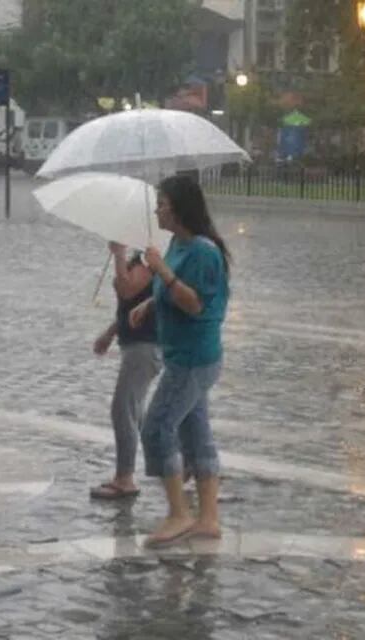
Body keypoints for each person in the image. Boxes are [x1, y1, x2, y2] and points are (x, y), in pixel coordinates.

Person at [129, 175, 230, 547]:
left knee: (156, 427)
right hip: (183, 355)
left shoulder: (203, 251)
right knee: (196, 431)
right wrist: (151, 302)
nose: (157, 208)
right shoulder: (178, 244)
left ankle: (179, 513)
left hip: (193, 358)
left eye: (162, 202)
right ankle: (208, 518)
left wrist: (162, 272)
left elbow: (195, 302)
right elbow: (176, 292)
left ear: (180, 207)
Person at [90, 242, 163, 499]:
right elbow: (130, 305)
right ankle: (172, 464)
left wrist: (119, 255)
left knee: (123, 409)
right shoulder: (142, 257)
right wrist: (110, 333)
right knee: (134, 412)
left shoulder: (149, 259)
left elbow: (128, 290)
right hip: (135, 344)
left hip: (145, 345)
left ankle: (125, 479)